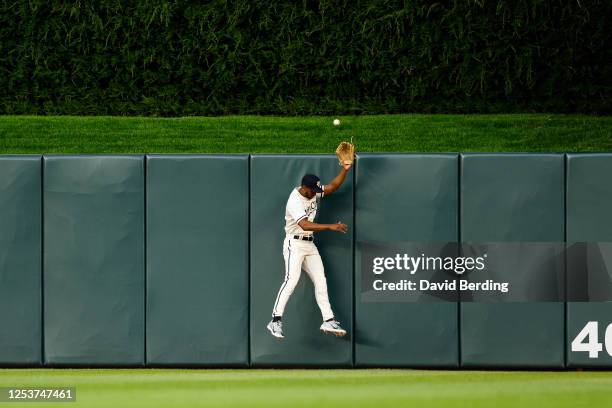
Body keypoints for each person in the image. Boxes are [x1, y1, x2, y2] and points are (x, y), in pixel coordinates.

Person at [266, 162, 352, 339]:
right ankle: (275, 320)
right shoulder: (294, 201)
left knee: (321, 280)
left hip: (309, 245)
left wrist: (345, 168)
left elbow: (333, 186)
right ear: (304, 187)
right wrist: (330, 226)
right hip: (294, 244)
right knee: (291, 281)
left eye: (315, 190)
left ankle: (328, 319)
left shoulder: (314, 190)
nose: (314, 193)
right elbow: (304, 225)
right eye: (311, 190)